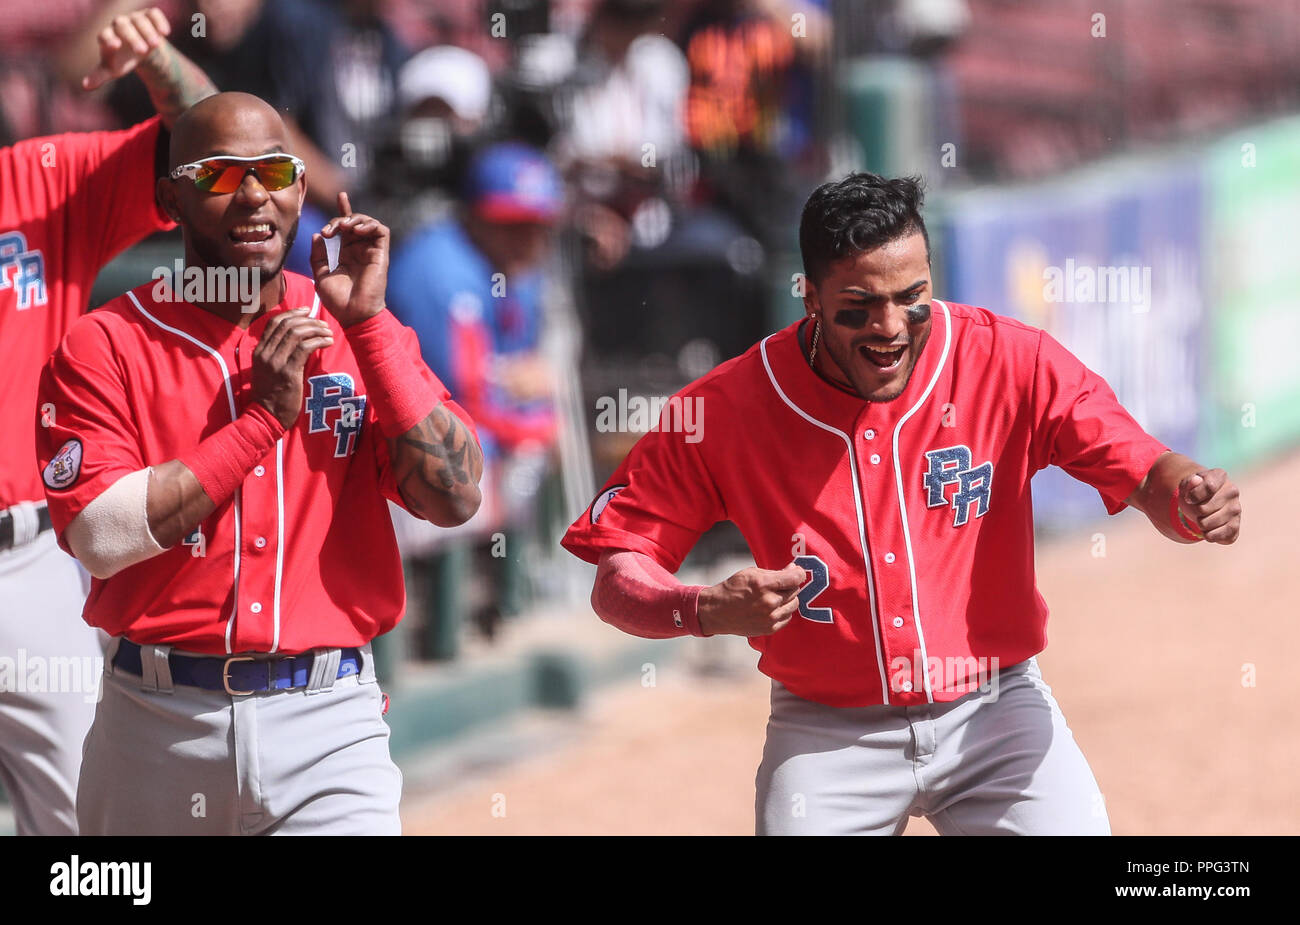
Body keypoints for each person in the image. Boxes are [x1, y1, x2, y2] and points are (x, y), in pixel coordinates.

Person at [560, 172, 1242, 836]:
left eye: (911, 297)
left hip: (994, 710)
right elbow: (618, 574)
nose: (890, 326)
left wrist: (1189, 498)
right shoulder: (726, 408)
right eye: (858, 306)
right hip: (828, 730)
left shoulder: (1008, 360)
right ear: (810, 299)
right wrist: (702, 609)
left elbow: (1143, 468)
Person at [35, 91, 483, 835]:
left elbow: (456, 497)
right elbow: (99, 535)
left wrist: (368, 326)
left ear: (300, 189)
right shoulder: (104, 342)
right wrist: (262, 423)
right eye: (218, 175)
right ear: (168, 199)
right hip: (157, 725)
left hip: (329, 722)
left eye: (273, 171)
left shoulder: (355, 328)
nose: (253, 194)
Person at [0, 7, 215, 836]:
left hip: (27, 562)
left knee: (93, 829)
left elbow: (212, 144)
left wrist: (157, 61)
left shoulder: (42, 180)